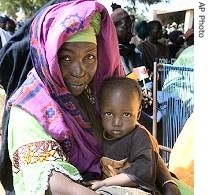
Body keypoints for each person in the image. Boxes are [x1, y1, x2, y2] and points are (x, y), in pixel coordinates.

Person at [0, 1, 183, 195]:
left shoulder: (98, 91)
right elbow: (44, 176)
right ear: (48, 55)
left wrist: (166, 183)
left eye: (89, 57)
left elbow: (141, 141)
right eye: (66, 58)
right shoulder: (29, 108)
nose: (79, 72)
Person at [89, 77, 158, 194]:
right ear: (100, 111)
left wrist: (105, 183)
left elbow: (142, 174)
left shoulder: (140, 137)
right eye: (109, 114)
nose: (117, 123)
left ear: (138, 113)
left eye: (126, 114)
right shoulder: (98, 134)